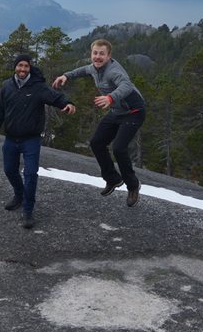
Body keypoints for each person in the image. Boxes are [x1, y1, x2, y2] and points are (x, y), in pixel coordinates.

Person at [52, 38, 145, 207]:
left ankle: (133, 185)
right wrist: (66, 75)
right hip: (116, 111)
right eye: (95, 53)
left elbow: (126, 85)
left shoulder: (113, 71)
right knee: (96, 143)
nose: (97, 57)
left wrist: (110, 97)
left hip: (133, 112)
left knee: (119, 148)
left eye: (102, 54)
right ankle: (113, 179)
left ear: (109, 56)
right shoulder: (94, 68)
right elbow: (83, 70)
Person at [0, 53, 76, 229]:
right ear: (15, 67)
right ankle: (19, 195)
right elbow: (0, 108)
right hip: (11, 138)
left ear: (30, 68)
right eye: (20, 65)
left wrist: (67, 103)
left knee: (30, 174)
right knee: (9, 170)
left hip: (31, 140)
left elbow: (56, 97)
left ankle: (28, 210)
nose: (22, 69)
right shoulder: (6, 86)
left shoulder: (38, 86)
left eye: (26, 66)